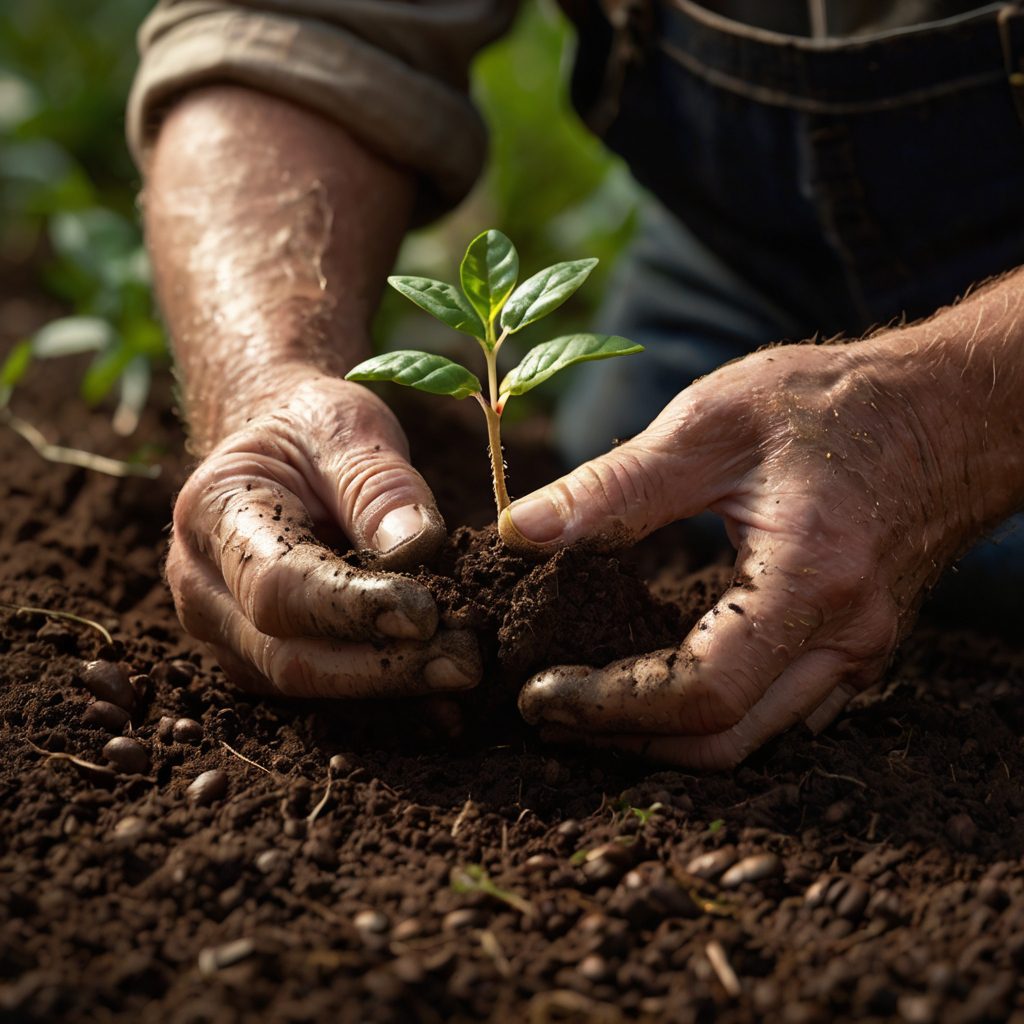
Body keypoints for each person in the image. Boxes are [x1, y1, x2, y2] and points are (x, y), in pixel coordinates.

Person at [132, 0, 1024, 769]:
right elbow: (284, 26)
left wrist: (943, 422)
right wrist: (267, 377)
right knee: (629, 441)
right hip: (743, 264)